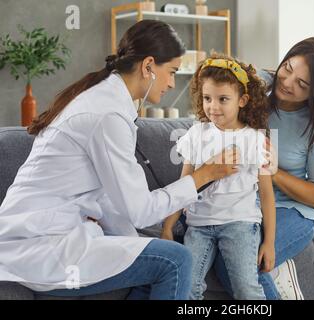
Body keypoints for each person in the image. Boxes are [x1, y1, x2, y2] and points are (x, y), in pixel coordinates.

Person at [0, 20, 239, 300]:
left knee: (154, 257)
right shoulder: (108, 115)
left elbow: (111, 201)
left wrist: (136, 243)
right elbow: (140, 210)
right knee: (176, 259)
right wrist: (203, 175)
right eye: (171, 72)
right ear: (148, 66)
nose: (173, 83)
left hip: (48, 233)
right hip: (40, 244)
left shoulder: (104, 101)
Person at [213, 37, 314, 300]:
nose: (286, 82)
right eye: (287, 68)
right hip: (245, 203)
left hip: (292, 211)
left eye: (302, 84)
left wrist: (273, 171)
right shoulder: (255, 96)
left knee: (236, 264)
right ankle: (278, 277)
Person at [161, 54, 276, 300]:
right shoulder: (195, 134)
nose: (213, 107)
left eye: (223, 99)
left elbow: (266, 195)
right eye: (207, 98)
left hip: (240, 225)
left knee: (247, 290)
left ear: (242, 100)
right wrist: (168, 227)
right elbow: (184, 184)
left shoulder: (256, 140)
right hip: (198, 226)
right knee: (186, 289)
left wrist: (269, 242)